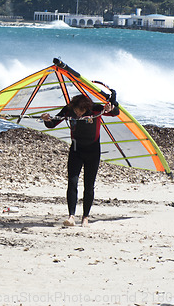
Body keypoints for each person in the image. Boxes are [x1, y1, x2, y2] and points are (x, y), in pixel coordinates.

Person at [41, 94, 119, 227]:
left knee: (89, 185)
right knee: (72, 182)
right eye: (76, 111)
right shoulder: (68, 110)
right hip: (76, 150)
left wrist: (111, 107)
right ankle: (71, 216)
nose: (77, 114)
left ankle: (85, 217)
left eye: (80, 111)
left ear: (86, 108)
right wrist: (47, 120)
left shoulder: (96, 109)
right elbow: (52, 124)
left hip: (93, 152)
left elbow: (115, 112)